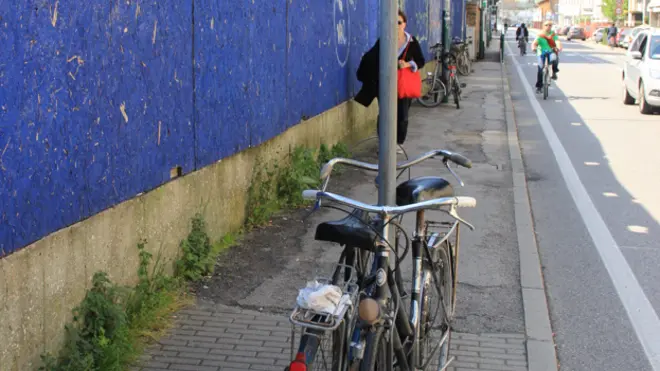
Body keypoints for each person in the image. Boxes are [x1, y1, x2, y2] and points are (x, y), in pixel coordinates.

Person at [355, 9, 425, 150]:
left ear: (404, 24)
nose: (396, 26)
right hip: (386, 84)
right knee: (385, 114)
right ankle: (384, 143)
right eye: (393, 23)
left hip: (403, 85)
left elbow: (421, 61)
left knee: (402, 115)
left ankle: (398, 143)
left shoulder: (411, 42)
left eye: (399, 23)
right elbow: (371, 58)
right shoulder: (385, 40)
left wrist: (407, 64)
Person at [532, 21, 562, 93]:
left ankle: (554, 72)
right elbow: (535, 43)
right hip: (541, 52)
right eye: (546, 25)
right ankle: (539, 87)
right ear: (543, 26)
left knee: (555, 58)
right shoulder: (540, 35)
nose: (548, 26)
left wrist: (558, 47)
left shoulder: (553, 34)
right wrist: (534, 48)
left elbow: (557, 41)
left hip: (550, 51)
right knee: (540, 69)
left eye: (550, 25)